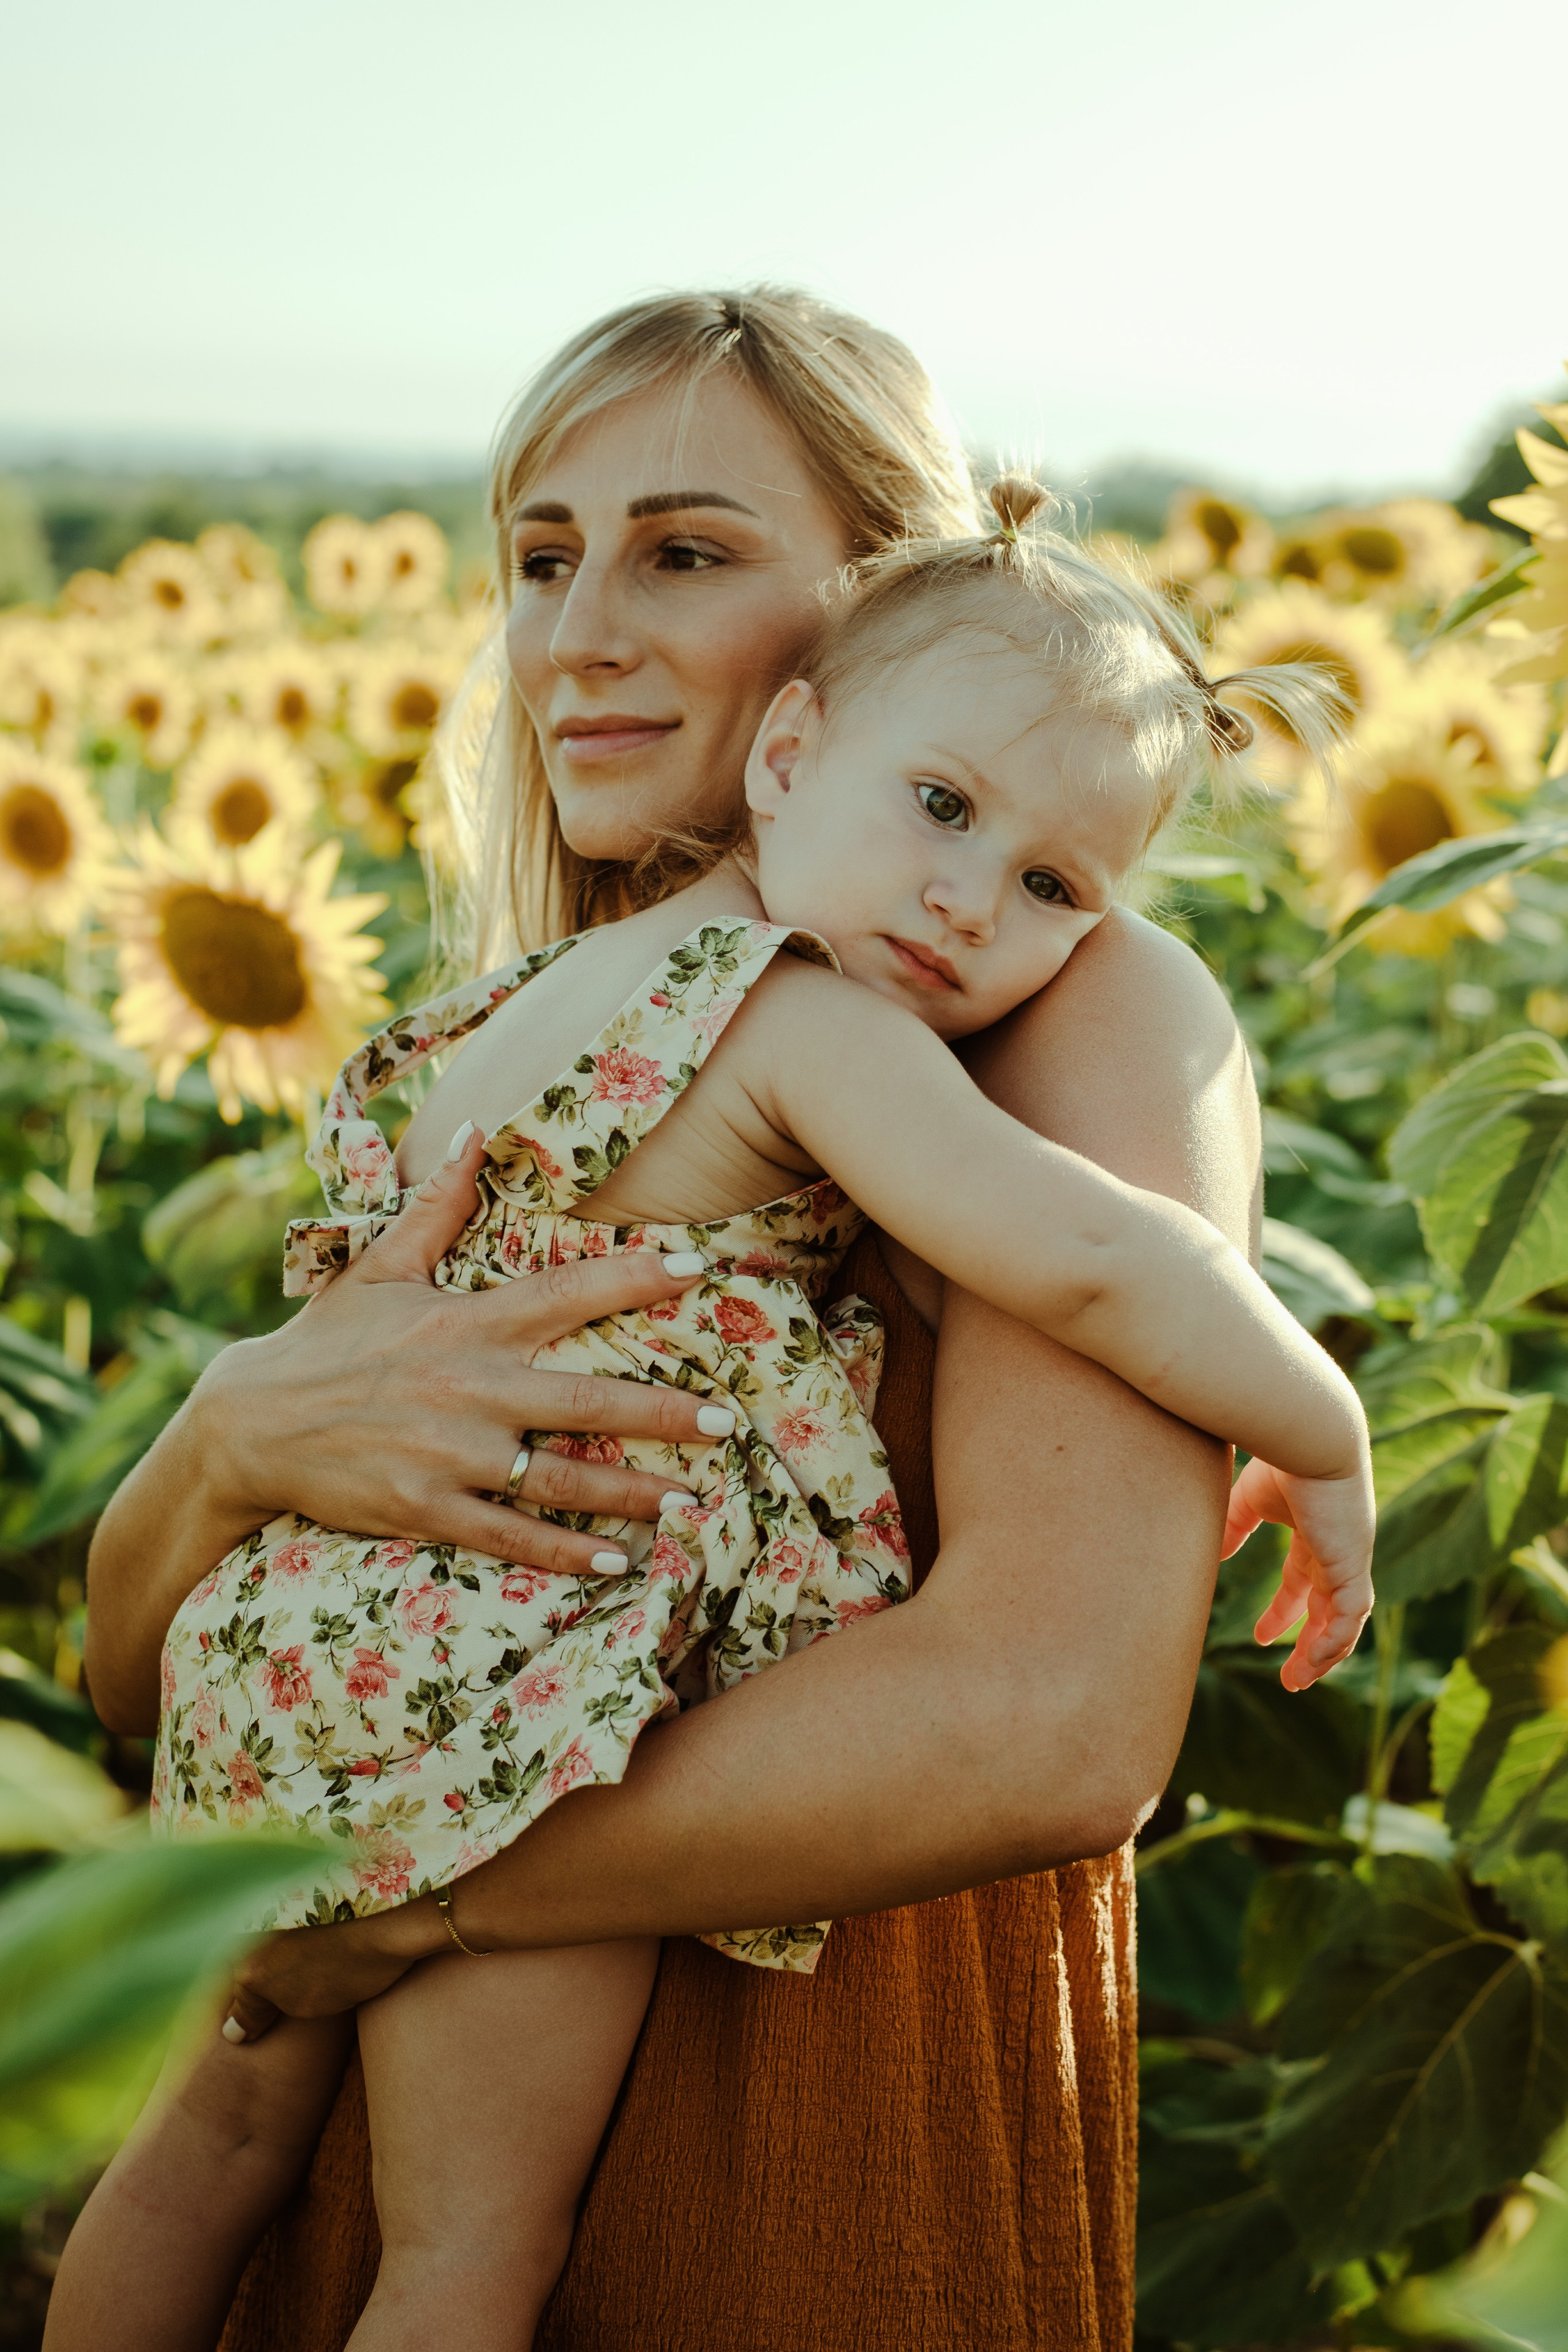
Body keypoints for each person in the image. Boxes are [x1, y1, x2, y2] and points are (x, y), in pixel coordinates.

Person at [75, 290, 1274, 2352]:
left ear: (886, 594)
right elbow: (126, 1668)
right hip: (435, 2032)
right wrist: (240, 1433)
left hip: (794, 2083)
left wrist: (398, 1894)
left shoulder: (1060, 1001)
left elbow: (1055, 1724)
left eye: (685, 552)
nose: (576, 635)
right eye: (540, 558)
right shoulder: (575, 1007)